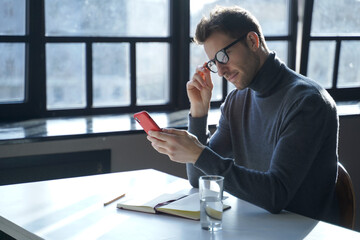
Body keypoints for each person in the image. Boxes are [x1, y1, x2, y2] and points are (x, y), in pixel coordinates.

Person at [147, 6, 339, 224]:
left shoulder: (308, 102)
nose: (220, 71)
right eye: (213, 63)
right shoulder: (237, 100)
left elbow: (275, 195)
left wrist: (199, 153)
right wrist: (199, 113)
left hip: (305, 232)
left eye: (223, 56)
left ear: (252, 41)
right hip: (256, 228)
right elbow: (199, 177)